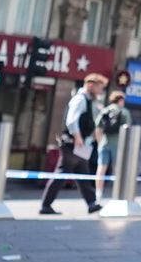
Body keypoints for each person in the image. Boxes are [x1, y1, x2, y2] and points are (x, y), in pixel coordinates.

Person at [40, 73, 109, 216]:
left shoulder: (88, 101)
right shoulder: (80, 99)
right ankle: (46, 205)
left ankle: (91, 203)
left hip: (79, 145)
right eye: (99, 88)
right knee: (62, 174)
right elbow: (71, 120)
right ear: (91, 85)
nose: (100, 92)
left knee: (82, 173)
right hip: (73, 143)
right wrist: (77, 137)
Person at [95, 90, 129, 182]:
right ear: (121, 100)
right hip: (118, 144)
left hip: (104, 142)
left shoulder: (105, 111)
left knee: (101, 168)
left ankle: (98, 192)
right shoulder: (124, 112)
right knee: (118, 168)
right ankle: (117, 191)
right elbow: (128, 129)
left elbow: (98, 128)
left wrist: (100, 142)